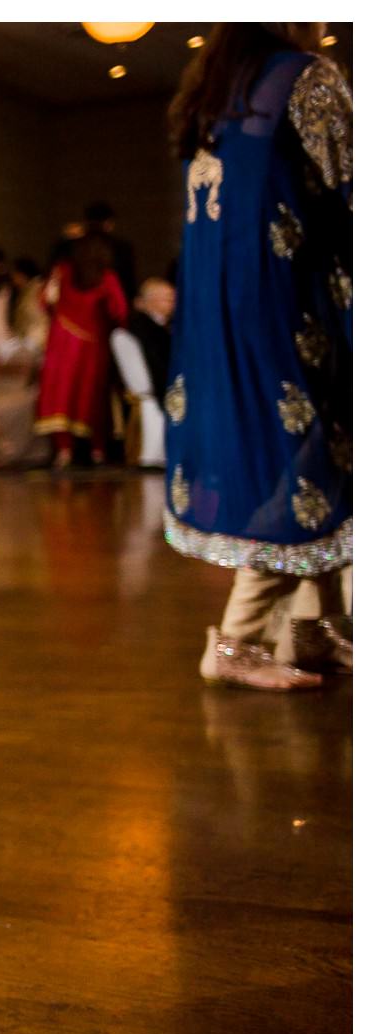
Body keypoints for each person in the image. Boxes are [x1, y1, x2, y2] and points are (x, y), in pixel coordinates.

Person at [163, 23, 351, 689]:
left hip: (224, 317)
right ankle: (239, 640)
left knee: (312, 457)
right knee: (308, 458)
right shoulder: (306, 76)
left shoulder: (216, 94)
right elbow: (349, 194)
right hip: (290, 307)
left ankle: (310, 627)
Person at [34, 232, 129, 468]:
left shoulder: (63, 272)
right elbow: (120, 311)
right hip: (92, 346)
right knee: (91, 396)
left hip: (60, 342)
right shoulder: (106, 278)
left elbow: (45, 300)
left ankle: (64, 451)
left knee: (61, 395)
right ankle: (97, 451)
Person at [127, 277, 176, 408]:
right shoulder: (145, 329)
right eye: (167, 299)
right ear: (147, 302)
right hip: (164, 396)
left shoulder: (165, 327)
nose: (173, 302)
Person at [84, 201, 138, 303]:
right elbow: (129, 282)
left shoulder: (69, 247)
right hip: (112, 302)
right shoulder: (122, 248)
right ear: (109, 223)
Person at [10, 257, 50, 357]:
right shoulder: (26, 290)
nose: (12, 277)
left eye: (14, 273)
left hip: (35, 342)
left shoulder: (36, 289)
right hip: (27, 341)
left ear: (21, 274)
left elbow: (36, 317)